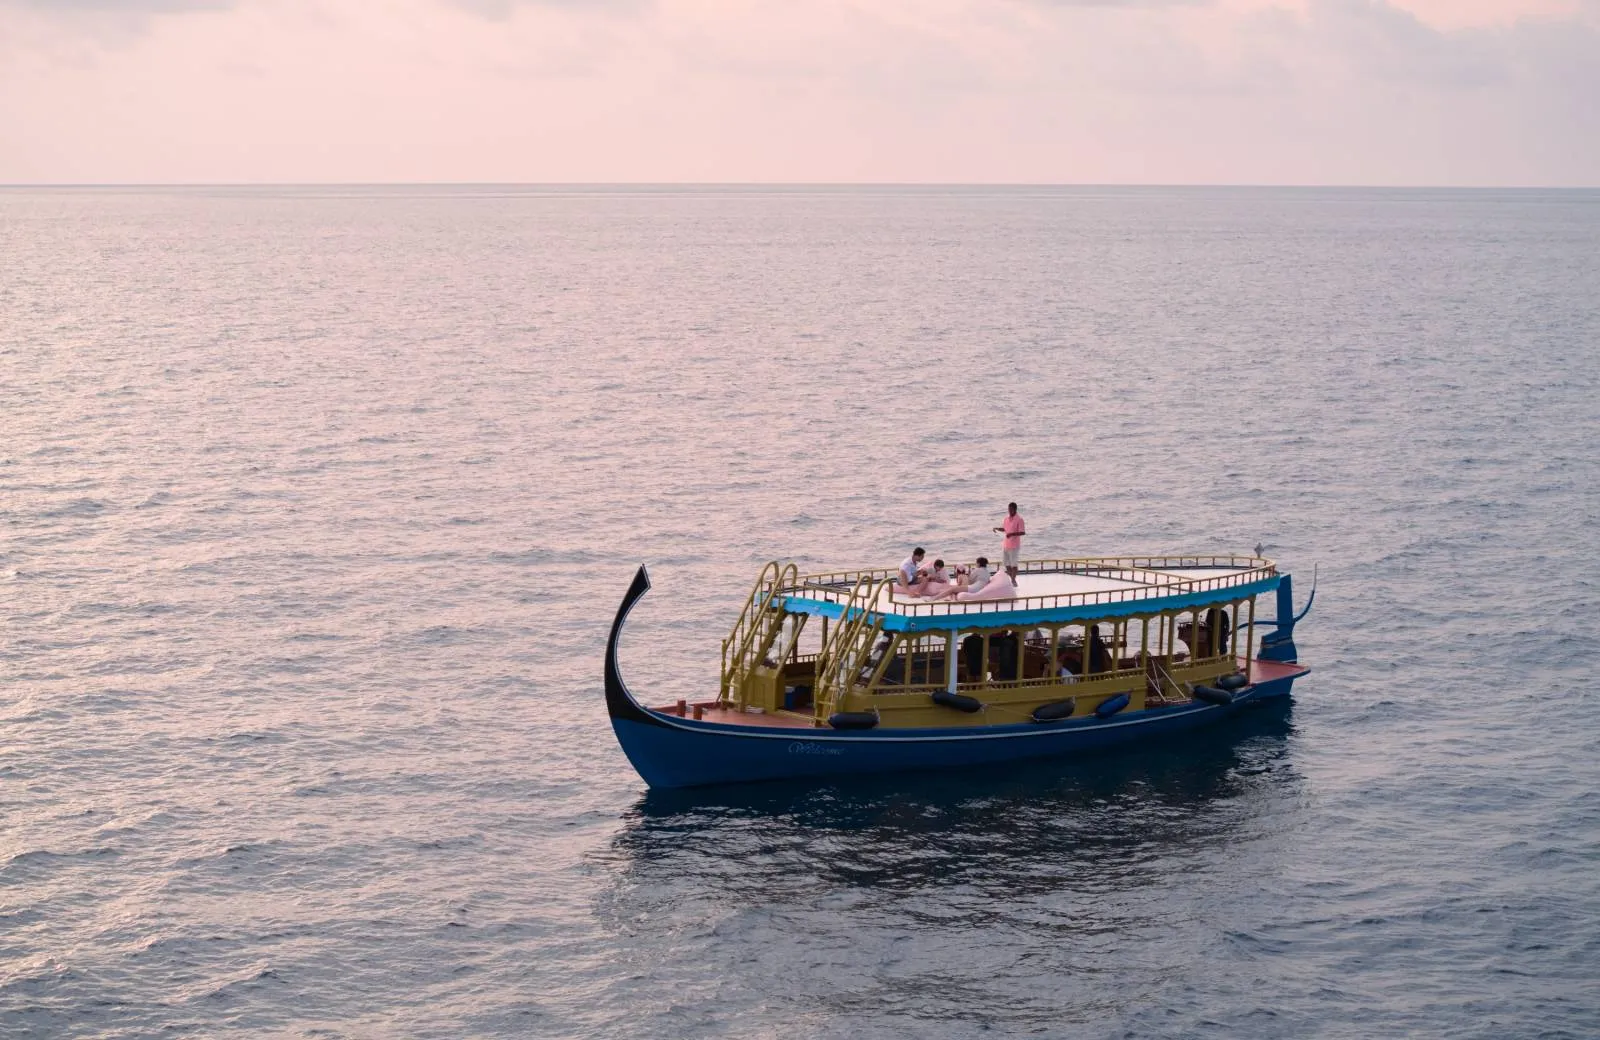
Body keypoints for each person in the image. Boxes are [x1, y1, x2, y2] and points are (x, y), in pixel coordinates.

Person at [993, 502, 1026, 582]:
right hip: (1006, 544)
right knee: (1006, 564)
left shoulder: (1019, 519)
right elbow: (1005, 529)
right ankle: (1012, 579)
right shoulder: (1006, 519)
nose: (1009, 511)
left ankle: (1013, 580)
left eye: (1011, 509)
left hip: (1014, 546)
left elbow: (1022, 532)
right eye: (1008, 509)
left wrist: (1012, 534)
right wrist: (997, 528)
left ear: (1015, 509)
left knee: (1013, 565)